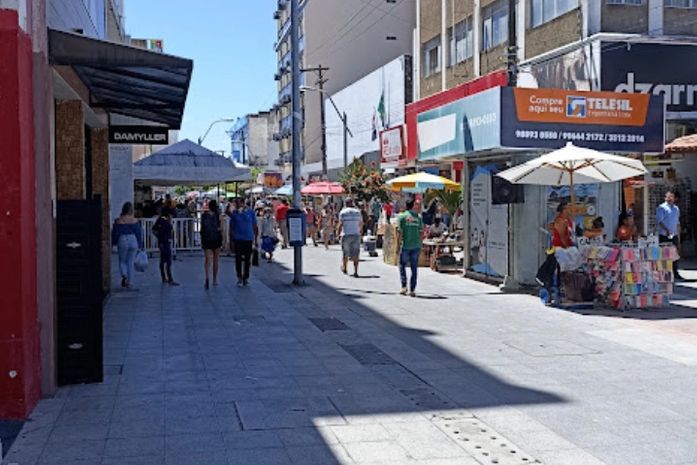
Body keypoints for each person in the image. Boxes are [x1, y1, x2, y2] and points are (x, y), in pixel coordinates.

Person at [111, 202, 143, 289]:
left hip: (123, 239)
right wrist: (140, 245)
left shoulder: (118, 220)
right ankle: (130, 282)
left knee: (122, 261)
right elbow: (139, 234)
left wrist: (113, 243)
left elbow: (115, 233)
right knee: (130, 262)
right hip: (133, 240)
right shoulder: (135, 220)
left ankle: (124, 275)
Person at [397, 199, 424, 297]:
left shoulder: (402, 217)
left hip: (405, 246)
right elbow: (421, 233)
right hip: (416, 246)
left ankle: (404, 287)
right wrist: (420, 244)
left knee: (402, 265)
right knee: (414, 268)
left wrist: (397, 245)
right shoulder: (419, 218)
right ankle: (412, 289)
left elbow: (400, 233)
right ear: (412, 206)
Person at [230, 198, 259, 286]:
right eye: (236, 204)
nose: (237, 206)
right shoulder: (234, 214)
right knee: (238, 259)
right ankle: (239, 277)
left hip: (248, 238)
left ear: (243, 204)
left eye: (238, 204)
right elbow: (231, 227)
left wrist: (256, 238)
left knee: (247, 259)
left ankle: (246, 277)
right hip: (238, 239)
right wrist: (231, 240)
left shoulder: (250, 212)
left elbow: (254, 225)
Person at [657, 189, 682, 279]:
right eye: (668, 196)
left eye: (672, 197)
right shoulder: (661, 208)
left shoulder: (676, 209)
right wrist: (667, 230)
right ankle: (664, 273)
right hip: (664, 235)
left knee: (675, 254)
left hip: (674, 235)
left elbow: (677, 222)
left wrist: (678, 236)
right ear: (666, 197)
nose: (670, 198)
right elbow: (660, 221)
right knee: (664, 254)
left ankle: (675, 272)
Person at [152, 207, 179, 286]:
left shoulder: (160, 219)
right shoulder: (165, 221)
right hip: (165, 242)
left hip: (162, 242)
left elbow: (154, 229)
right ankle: (169, 278)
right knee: (168, 260)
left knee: (163, 260)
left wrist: (158, 237)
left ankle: (164, 277)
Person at [338, 198, 363, 277]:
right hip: (356, 234)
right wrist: (359, 231)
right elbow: (361, 223)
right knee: (356, 254)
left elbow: (340, 224)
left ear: (345, 203)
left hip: (346, 234)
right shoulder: (357, 212)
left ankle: (345, 268)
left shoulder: (343, 212)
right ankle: (356, 271)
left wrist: (338, 234)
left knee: (345, 253)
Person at [201, 200, 223, 289]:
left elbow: (202, 228)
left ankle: (207, 277)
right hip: (216, 239)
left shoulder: (204, 216)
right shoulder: (219, 216)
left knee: (207, 260)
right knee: (216, 260)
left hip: (206, 239)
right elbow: (221, 228)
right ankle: (214, 280)